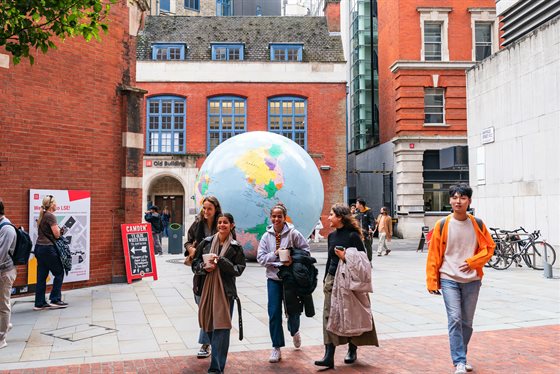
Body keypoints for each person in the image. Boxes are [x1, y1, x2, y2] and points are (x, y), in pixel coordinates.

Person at [426, 184, 495, 374]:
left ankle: (461, 356)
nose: (458, 201)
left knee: (467, 322)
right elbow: (433, 255)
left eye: (463, 198)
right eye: (455, 197)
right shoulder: (442, 225)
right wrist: (432, 281)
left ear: (469, 201)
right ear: (450, 200)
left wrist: (474, 262)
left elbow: (489, 248)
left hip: (472, 280)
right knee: (455, 318)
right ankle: (459, 361)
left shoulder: (478, 224)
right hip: (449, 277)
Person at [315, 203, 378, 369]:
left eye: (331, 214)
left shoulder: (353, 236)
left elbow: (363, 261)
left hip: (349, 281)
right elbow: (330, 260)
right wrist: (325, 279)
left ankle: (352, 348)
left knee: (351, 314)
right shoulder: (331, 236)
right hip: (331, 279)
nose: (328, 217)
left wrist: (345, 257)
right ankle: (329, 355)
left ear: (340, 217)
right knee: (329, 315)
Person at [192, 213, 246, 374]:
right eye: (220, 222)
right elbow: (195, 265)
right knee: (208, 326)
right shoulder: (206, 243)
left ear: (232, 225)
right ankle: (216, 360)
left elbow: (238, 269)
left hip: (225, 293)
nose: (222, 225)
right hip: (207, 290)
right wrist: (203, 267)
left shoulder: (235, 247)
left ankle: (216, 367)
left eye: (226, 223)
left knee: (221, 328)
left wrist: (222, 262)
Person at [257, 203, 310, 363]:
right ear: (270, 217)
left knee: (293, 311)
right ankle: (276, 346)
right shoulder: (266, 237)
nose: (276, 219)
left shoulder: (293, 234)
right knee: (274, 313)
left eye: (279, 216)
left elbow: (306, 251)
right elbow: (261, 258)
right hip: (273, 279)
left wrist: (292, 259)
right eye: (274, 216)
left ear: (284, 217)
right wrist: (274, 254)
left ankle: (295, 331)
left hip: (290, 279)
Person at [184, 196, 222, 359]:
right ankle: (210, 340)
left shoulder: (221, 223)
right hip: (200, 272)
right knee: (202, 307)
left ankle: (206, 343)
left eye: (209, 209)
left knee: (209, 309)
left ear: (215, 210)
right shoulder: (197, 223)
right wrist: (191, 250)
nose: (206, 212)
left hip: (216, 271)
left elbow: (230, 242)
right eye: (204, 208)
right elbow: (188, 242)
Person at [34, 195, 68, 310]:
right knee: (59, 272)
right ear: (52, 205)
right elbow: (57, 234)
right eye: (56, 203)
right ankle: (55, 299)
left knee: (41, 276)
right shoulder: (50, 216)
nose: (57, 205)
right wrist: (61, 231)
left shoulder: (43, 215)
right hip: (48, 249)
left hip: (39, 248)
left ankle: (39, 303)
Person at [0, 199, 17, 349]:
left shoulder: (7, 229)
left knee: (4, 304)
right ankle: (5, 325)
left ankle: (1, 338)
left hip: (5, 272)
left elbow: (1, 254)